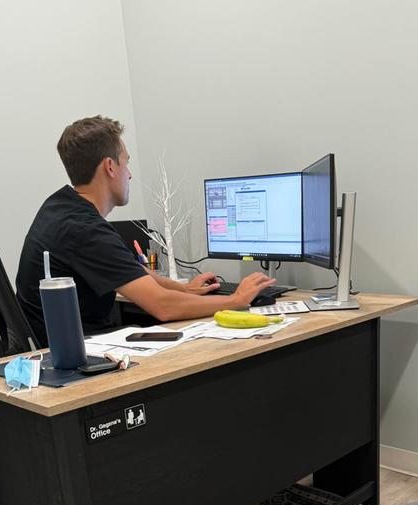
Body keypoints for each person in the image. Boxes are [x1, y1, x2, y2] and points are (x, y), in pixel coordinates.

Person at [16, 115, 275, 345]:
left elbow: (131, 270)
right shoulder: (84, 228)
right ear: (110, 166)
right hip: (80, 356)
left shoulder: (60, 207)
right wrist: (236, 300)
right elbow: (162, 307)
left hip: (63, 345)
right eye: (126, 163)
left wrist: (182, 289)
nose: (129, 175)